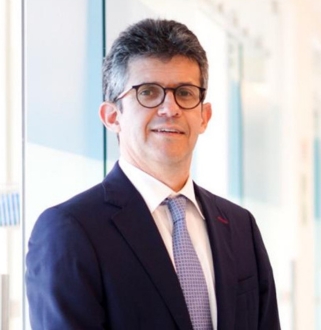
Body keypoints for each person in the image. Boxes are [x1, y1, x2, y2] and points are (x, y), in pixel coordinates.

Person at [26, 18, 281, 330]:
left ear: (204, 116)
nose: (170, 108)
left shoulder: (240, 227)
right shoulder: (70, 231)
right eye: (148, 92)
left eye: (185, 93)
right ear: (111, 116)